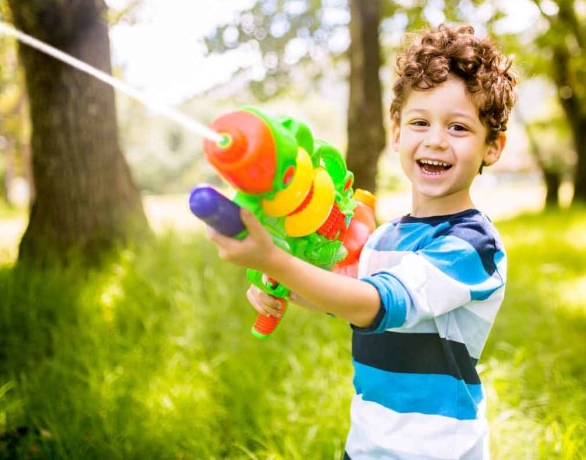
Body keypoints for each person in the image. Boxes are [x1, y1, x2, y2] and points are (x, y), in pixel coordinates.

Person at [207, 23, 518, 460]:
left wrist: (275, 261)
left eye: (459, 128)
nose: (434, 139)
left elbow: (375, 305)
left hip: (437, 452)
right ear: (396, 132)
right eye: (420, 122)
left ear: (493, 146)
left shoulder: (472, 243)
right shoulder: (387, 235)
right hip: (369, 444)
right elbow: (347, 299)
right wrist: (288, 289)